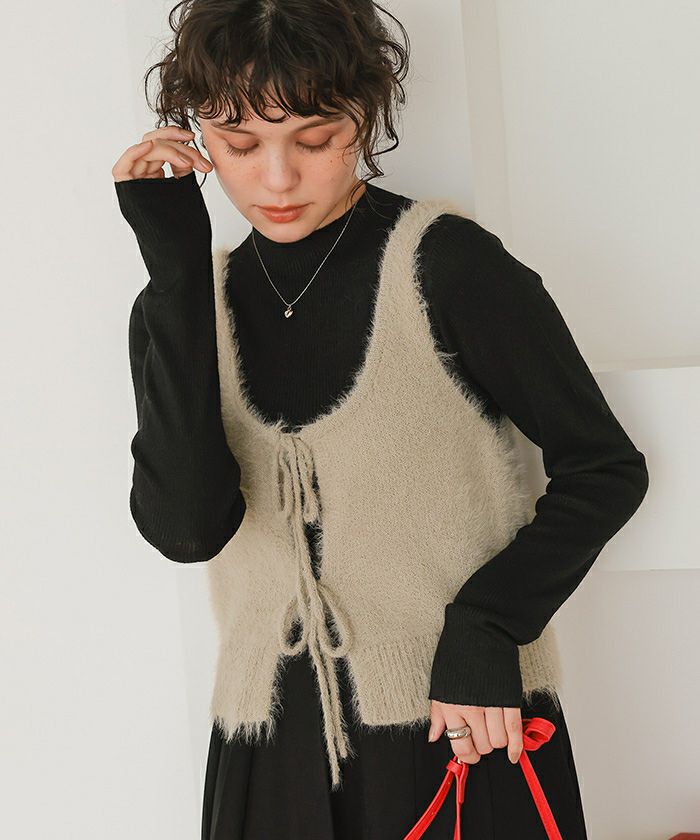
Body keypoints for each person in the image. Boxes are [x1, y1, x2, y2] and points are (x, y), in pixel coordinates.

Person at [112, 2, 649, 838]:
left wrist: (488, 623)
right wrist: (174, 269)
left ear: (364, 116)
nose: (277, 179)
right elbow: (188, 528)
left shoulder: (451, 266)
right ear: (195, 136)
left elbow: (605, 467)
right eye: (240, 144)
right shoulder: (184, 307)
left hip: (458, 723)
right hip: (263, 753)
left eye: (316, 139)